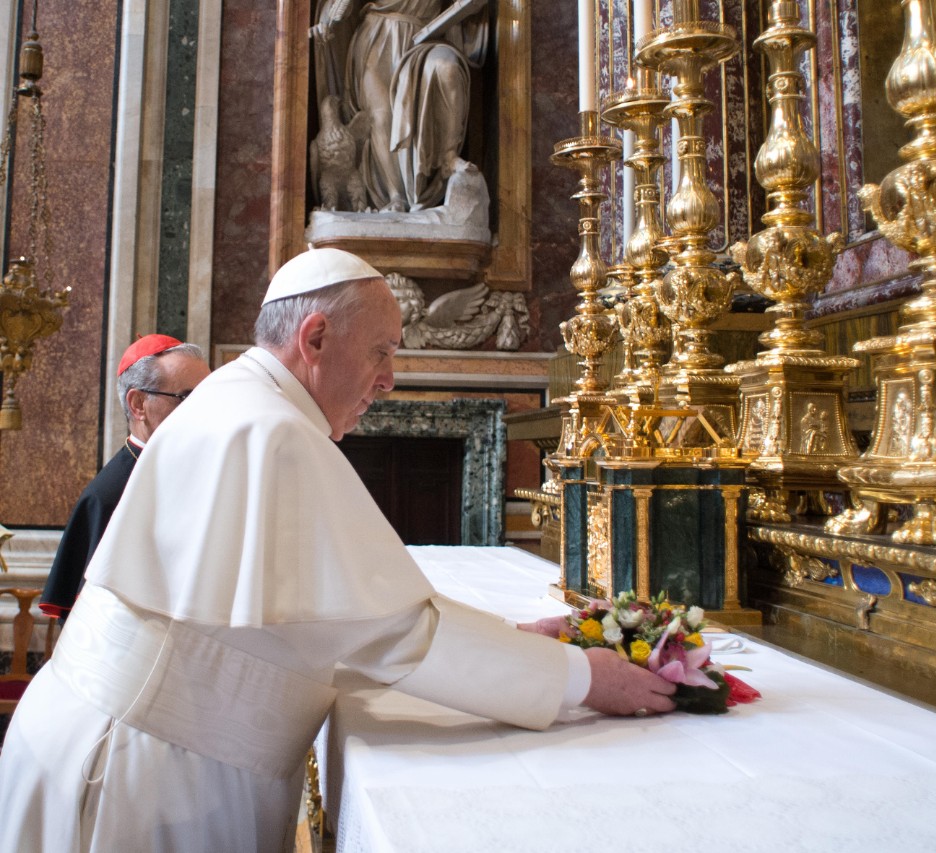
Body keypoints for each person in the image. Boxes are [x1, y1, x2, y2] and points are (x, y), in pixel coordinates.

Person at [0, 247, 674, 852]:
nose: (390, 379)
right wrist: (582, 678)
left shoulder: (245, 406)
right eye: (382, 350)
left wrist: (513, 636)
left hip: (131, 748)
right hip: (136, 780)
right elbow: (394, 635)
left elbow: (309, 626)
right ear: (315, 337)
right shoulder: (270, 430)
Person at [39, 335, 211, 620]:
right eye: (187, 397)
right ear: (138, 404)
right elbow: (92, 623)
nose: (204, 409)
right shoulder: (108, 496)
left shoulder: (198, 471)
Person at [311, 0, 488, 212]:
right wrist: (331, 16)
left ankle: (448, 157)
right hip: (377, 37)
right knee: (380, 116)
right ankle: (395, 197)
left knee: (447, 69)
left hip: (426, 37)